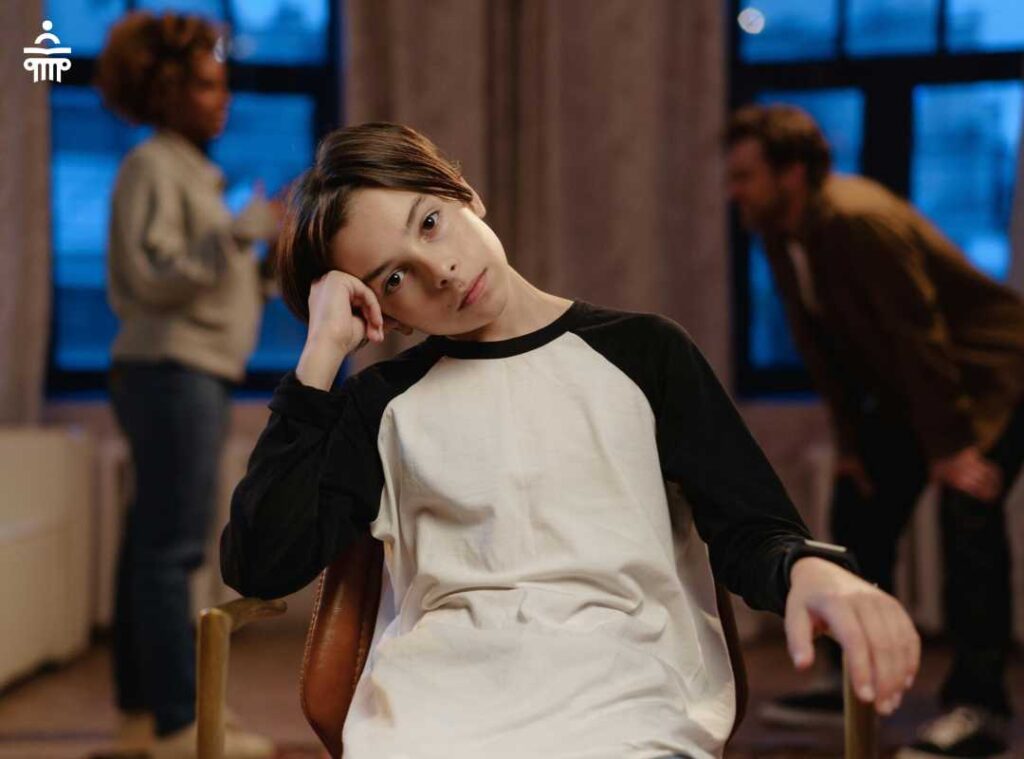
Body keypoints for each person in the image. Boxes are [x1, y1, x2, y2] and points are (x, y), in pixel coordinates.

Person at [220, 122, 919, 759]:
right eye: (395, 278)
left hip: (626, 691)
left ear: (464, 193)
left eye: (430, 223)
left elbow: (752, 529)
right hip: (438, 703)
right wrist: (319, 357)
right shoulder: (381, 403)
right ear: (385, 313)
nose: (442, 271)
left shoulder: (647, 352)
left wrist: (809, 569)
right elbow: (263, 563)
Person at [725, 104, 1024, 759]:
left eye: (745, 176)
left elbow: (919, 334)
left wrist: (951, 449)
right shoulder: (779, 230)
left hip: (992, 374)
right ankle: (850, 680)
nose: (734, 191)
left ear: (791, 173)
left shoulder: (857, 219)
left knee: (967, 512)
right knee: (858, 507)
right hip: (917, 386)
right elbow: (822, 346)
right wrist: (852, 445)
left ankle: (979, 708)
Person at [96, 11, 280, 758]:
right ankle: (179, 722)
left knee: (151, 544)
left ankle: (144, 716)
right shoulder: (152, 166)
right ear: (166, 92)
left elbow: (208, 280)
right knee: (172, 550)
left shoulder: (186, 171)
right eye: (206, 84)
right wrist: (236, 234)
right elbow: (151, 276)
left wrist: (264, 258)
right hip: (172, 370)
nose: (222, 97)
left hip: (185, 369)